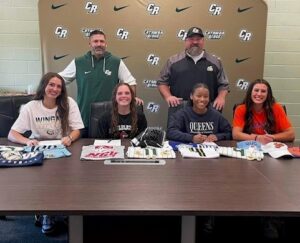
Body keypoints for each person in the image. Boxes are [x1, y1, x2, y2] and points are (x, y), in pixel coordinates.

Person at [8, 72, 84, 235]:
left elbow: (78, 129)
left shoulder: (69, 103)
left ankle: (63, 210)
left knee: (68, 178)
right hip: (39, 150)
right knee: (44, 179)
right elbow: (12, 133)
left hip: (64, 149)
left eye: (59, 86)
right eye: (51, 84)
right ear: (44, 86)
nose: (55, 89)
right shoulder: (31, 107)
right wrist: (27, 141)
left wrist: (70, 138)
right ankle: (47, 213)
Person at [59, 30, 143, 137]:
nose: (99, 44)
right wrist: (44, 89)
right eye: (95, 41)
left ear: (106, 44)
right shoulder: (78, 62)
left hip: (110, 118)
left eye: (102, 41)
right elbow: (60, 79)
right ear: (90, 44)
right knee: (84, 150)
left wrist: (132, 98)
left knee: (110, 150)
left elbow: (131, 82)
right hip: (84, 117)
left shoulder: (116, 62)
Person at [157, 26, 229, 111]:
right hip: (180, 109)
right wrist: (168, 97)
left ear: (203, 41)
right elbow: (162, 82)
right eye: (191, 39)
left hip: (208, 109)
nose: (195, 42)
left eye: (198, 39)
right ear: (186, 41)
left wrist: (221, 98)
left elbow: (224, 84)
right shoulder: (173, 61)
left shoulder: (215, 62)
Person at [232, 78, 295, 144]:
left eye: (263, 91)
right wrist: (257, 138)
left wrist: (271, 137)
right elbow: (235, 135)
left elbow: (291, 134)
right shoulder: (241, 109)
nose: (259, 94)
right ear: (250, 92)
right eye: (256, 90)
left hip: (271, 145)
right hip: (250, 146)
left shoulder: (277, 108)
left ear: (268, 94)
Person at [167, 83, 232, 143]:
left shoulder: (216, 115)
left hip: (211, 151)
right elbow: (170, 132)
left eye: (206, 96)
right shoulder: (182, 114)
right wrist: (192, 138)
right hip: (188, 150)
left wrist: (217, 136)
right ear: (191, 96)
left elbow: (229, 133)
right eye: (198, 96)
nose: (202, 99)